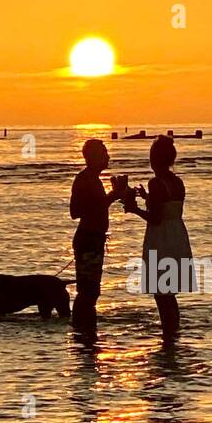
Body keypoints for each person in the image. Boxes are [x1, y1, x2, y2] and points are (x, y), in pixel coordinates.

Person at [124, 135, 193, 341]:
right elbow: (167, 207)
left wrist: (134, 209)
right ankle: (173, 333)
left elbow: (155, 218)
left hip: (160, 239)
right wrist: (147, 198)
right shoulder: (177, 182)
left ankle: (168, 336)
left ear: (154, 159)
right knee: (169, 293)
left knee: (161, 294)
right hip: (177, 236)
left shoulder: (155, 182)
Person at [69, 139, 126, 334]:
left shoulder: (94, 179)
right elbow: (75, 211)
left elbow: (97, 206)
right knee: (87, 291)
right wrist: (112, 196)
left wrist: (115, 195)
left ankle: (86, 332)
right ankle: (81, 331)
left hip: (95, 238)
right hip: (88, 239)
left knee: (91, 291)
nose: (107, 157)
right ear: (92, 157)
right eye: (103, 153)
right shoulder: (84, 179)